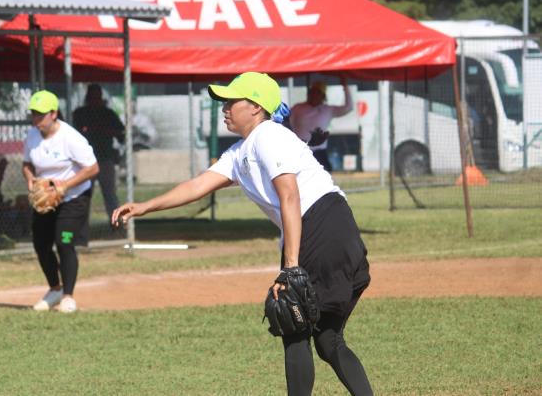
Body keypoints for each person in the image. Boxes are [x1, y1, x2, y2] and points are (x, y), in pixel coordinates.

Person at [111, 72, 373, 395]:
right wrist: (144, 207)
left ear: (255, 107)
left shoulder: (268, 136)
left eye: (231, 101)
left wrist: (290, 267)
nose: (224, 107)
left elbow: (290, 195)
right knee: (328, 339)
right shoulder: (240, 153)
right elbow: (198, 185)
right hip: (333, 225)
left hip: (318, 221)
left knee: (293, 326)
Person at [23, 90, 99, 313]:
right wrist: (31, 180)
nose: (36, 118)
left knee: (64, 241)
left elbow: (93, 168)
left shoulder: (71, 138)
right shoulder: (32, 136)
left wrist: (65, 186)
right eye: (34, 114)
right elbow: (27, 164)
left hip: (74, 198)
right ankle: (55, 288)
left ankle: (68, 296)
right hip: (47, 199)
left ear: (54, 113)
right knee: (41, 244)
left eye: (40, 114)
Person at [72, 84, 125, 219]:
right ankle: (80, 226)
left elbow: (121, 134)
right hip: (85, 162)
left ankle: (116, 224)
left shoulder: (107, 113)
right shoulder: (80, 113)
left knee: (110, 194)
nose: (95, 99)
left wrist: (105, 131)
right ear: (87, 97)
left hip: (105, 159)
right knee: (83, 194)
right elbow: (74, 133)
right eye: (92, 96)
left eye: (97, 96)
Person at [289, 78, 353, 172]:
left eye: (318, 93)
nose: (314, 95)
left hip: (319, 153)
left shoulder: (328, 110)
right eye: (312, 92)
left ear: (323, 96)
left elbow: (349, 107)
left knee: (325, 177)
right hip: (300, 151)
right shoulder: (297, 108)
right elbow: (286, 122)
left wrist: (345, 87)